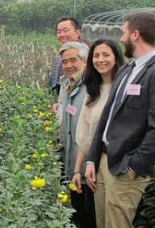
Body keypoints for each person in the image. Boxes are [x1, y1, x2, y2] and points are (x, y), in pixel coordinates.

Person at [85, 12, 155, 228]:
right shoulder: (127, 70)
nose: (121, 38)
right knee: (102, 223)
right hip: (104, 163)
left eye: (123, 32)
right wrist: (92, 158)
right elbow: (107, 117)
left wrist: (135, 166)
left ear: (135, 35)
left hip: (126, 169)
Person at [70, 39, 124, 227]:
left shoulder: (125, 90)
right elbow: (85, 137)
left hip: (120, 165)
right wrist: (78, 171)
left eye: (106, 55)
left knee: (117, 220)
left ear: (116, 58)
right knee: (100, 220)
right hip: (97, 164)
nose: (100, 60)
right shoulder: (92, 92)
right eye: (96, 55)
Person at [57, 41, 93, 227]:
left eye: (73, 60)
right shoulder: (67, 85)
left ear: (85, 61)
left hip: (88, 168)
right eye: (64, 62)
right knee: (77, 214)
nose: (69, 65)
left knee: (88, 217)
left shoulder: (91, 87)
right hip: (72, 164)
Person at [49, 17, 89, 95]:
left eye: (65, 30)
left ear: (77, 33)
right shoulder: (60, 54)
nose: (62, 35)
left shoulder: (86, 51)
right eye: (59, 32)